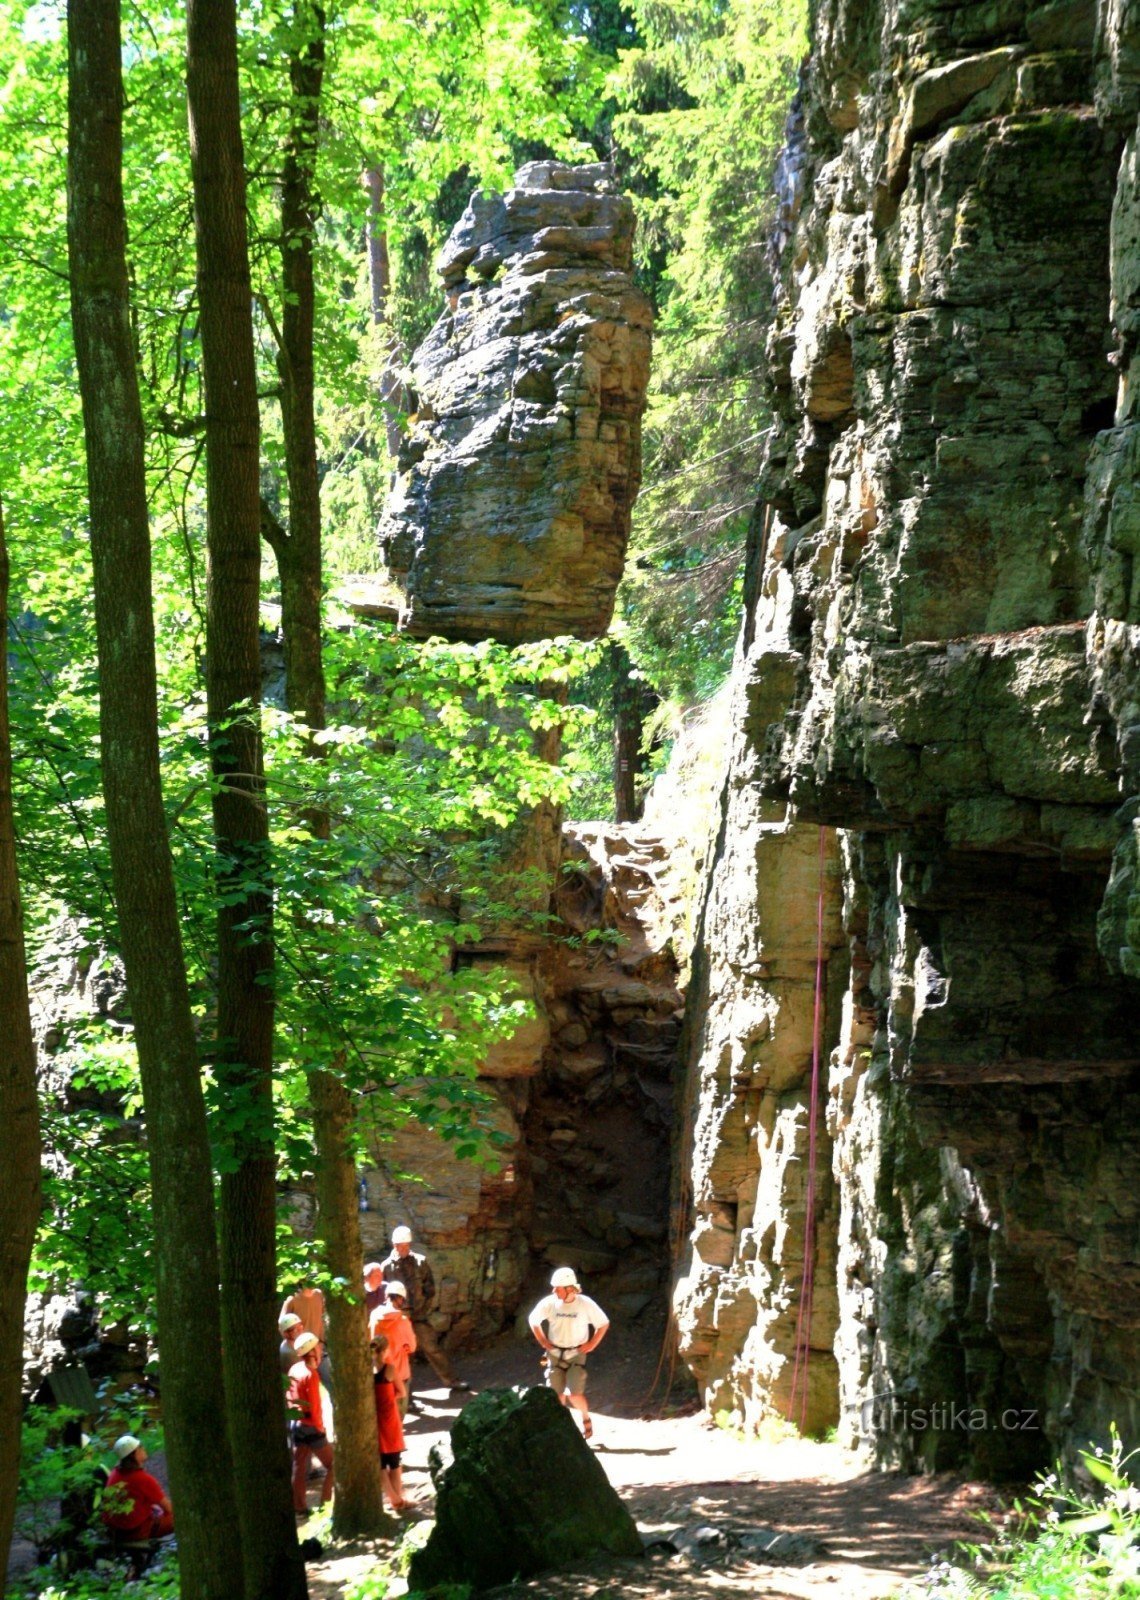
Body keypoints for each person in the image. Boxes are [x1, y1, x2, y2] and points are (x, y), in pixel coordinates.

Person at [380, 1225, 466, 1392]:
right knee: (400, 1356)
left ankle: (451, 1380)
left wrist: (423, 1308)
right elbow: (383, 1294)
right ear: (393, 1245)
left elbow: (430, 1288)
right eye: (399, 1245)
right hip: (398, 1319)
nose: (402, 1248)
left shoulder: (420, 1262)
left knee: (432, 1348)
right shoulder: (386, 1267)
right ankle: (405, 1395)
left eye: (405, 1244)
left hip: (419, 1315)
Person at [527, 1266, 610, 1440]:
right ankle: (561, 1428)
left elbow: (603, 1323)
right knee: (556, 1395)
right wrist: (543, 1341)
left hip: (576, 1354)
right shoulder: (549, 1303)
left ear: (569, 1288)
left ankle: (585, 1418)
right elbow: (533, 1320)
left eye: (557, 1288)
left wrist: (592, 1343)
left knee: (574, 1394)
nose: (554, 1291)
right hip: (555, 1354)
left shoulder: (585, 1304)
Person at [286, 1330, 335, 1515]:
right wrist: (320, 1428)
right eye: (318, 1347)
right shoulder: (310, 1374)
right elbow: (314, 1406)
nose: (320, 1350)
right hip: (310, 1426)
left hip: (296, 1425)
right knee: (333, 1465)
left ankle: (299, 1506)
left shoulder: (294, 1369)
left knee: (298, 1467)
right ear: (312, 1351)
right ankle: (325, 1505)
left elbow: (289, 1396)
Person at [100, 1435, 174, 1540]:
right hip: (133, 1532)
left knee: (155, 1507)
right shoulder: (142, 1479)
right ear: (135, 1454)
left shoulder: (115, 1473)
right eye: (140, 1447)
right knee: (180, 1516)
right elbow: (168, 1508)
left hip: (115, 1530)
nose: (143, 1449)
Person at [370, 1332, 408, 1512]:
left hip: (373, 1420)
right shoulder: (390, 1370)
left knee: (381, 1462)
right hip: (389, 1419)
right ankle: (397, 1499)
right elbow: (402, 1392)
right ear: (384, 1350)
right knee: (394, 1461)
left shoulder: (366, 1373)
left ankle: (395, 1499)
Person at [369, 1283, 416, 1419]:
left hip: (379, 1371)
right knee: (398, 1416)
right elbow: (412, 1347)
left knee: (382, 1415)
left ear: (386, 1296)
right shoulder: (403, 1321)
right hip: (400, 1372)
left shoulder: (374, 1316)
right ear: (400, 1299)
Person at [281, 1282, 332, 1391]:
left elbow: (322, 1317)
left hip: (319, 1349)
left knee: (331, 1384)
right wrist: (292, 1346)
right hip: (300, 1354)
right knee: (302, 1388)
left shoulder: (318, 1295)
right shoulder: (293, 1300)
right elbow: (282, 1325)